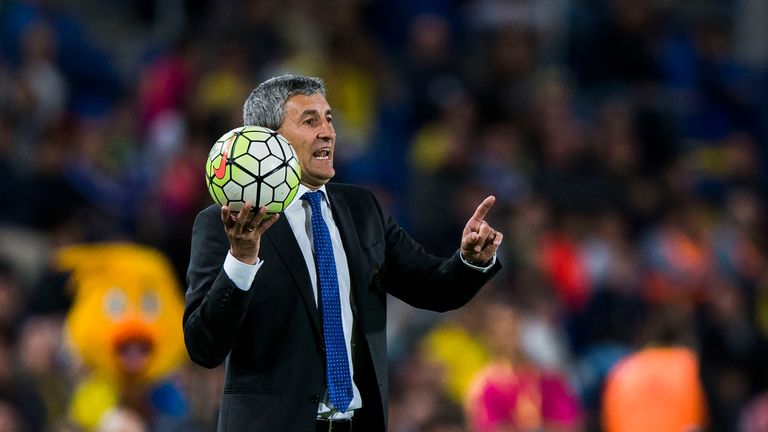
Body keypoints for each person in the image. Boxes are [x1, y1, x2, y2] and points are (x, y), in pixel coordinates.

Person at [183, 74, 503, 432]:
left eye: (329, 119)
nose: (328, 132)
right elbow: (204, 346)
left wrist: (471, 261)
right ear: (269, 140)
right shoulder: (224, 221)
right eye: (310, 121)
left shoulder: (362, 208)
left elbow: (432, 287)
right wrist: (241, 260)